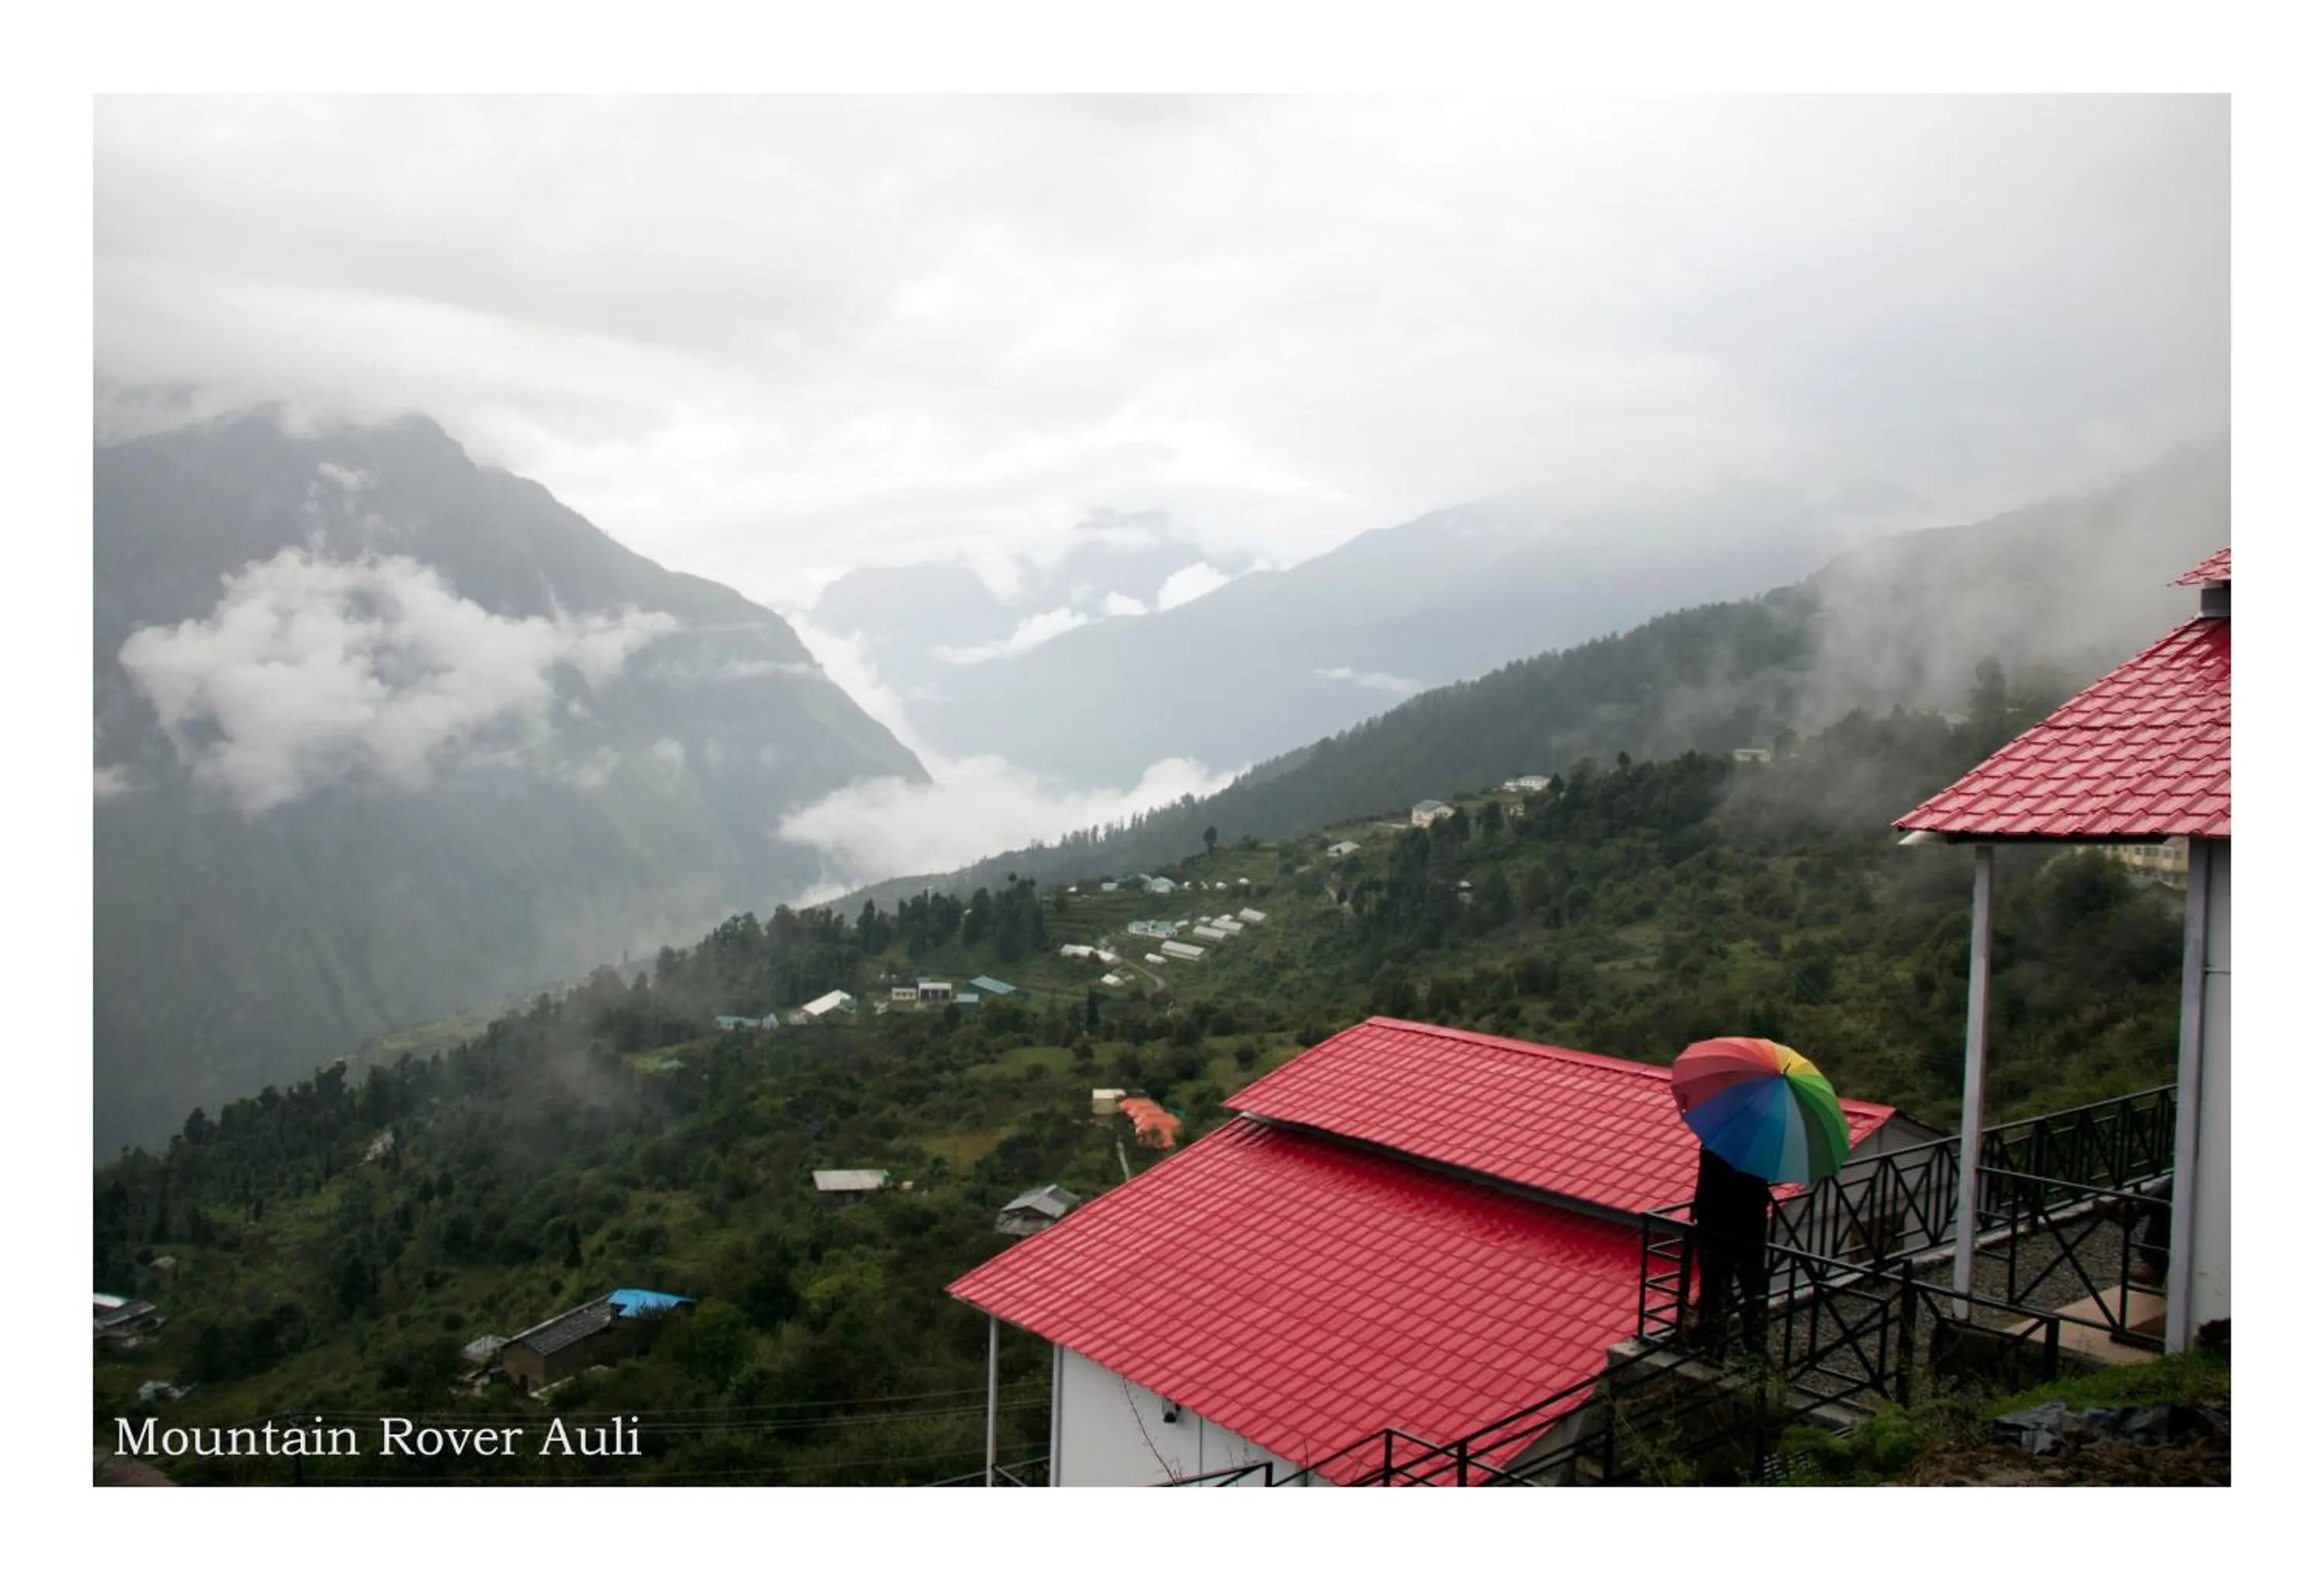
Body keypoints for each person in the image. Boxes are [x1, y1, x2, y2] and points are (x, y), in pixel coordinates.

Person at [1688, 1145, 1773, 1359]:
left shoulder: (1717, 1137)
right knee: (1750, 1283)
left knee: (1715, 1282)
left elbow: (1707, 1178)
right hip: (1749, 1224)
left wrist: (1699, 1206)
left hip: (1716, 1222)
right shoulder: (1763, 1144)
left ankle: (1712, 1338)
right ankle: (1753, 1343)